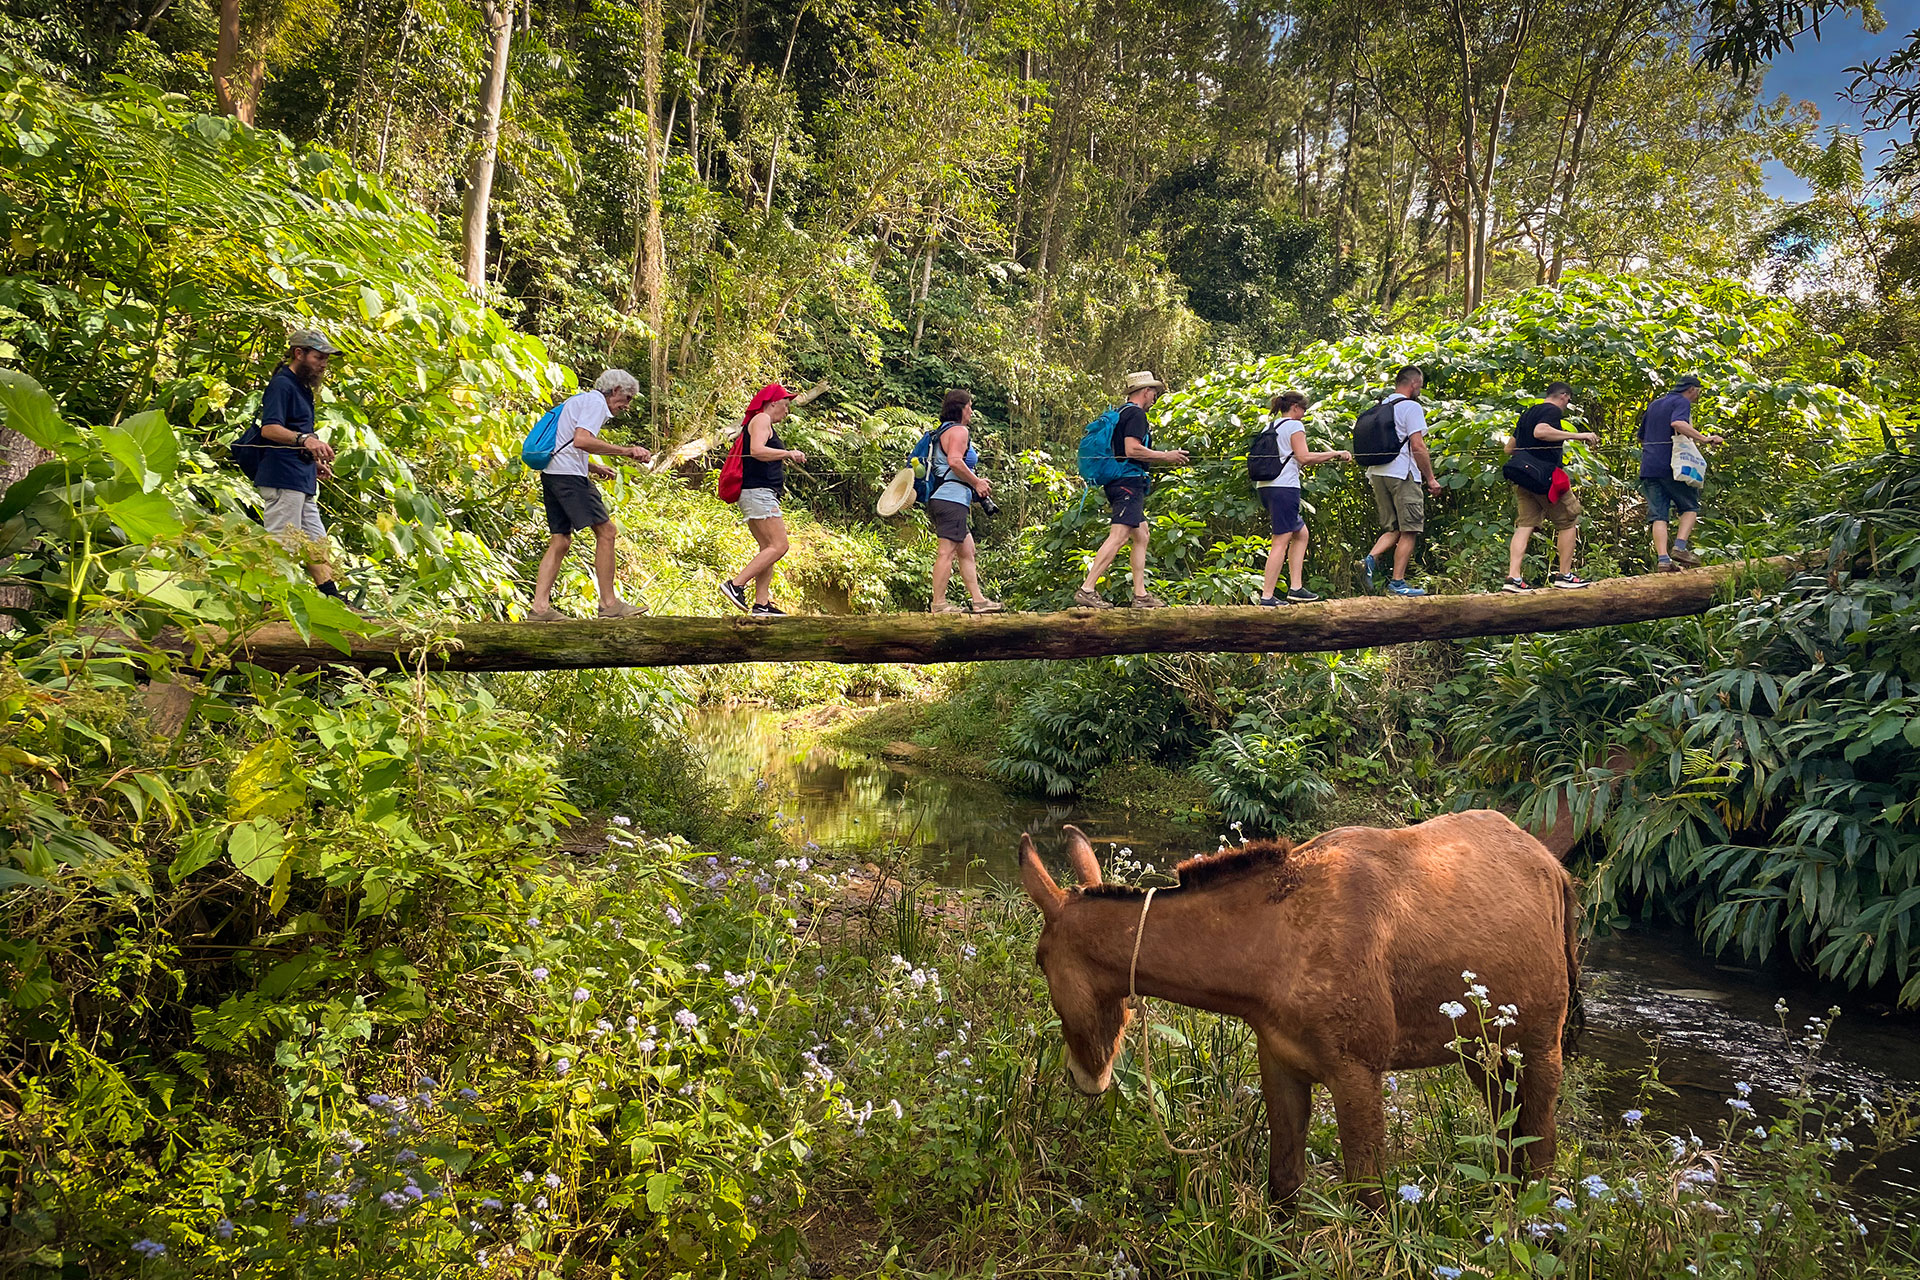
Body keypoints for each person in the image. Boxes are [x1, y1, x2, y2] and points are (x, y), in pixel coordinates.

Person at [529, 369, 652, 621]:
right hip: (569, 478)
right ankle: (609, 604)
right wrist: (627, 450)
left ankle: (539, 608)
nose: (626, 406)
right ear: (615, 390)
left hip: (553, 474)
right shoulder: (596, 403)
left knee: (560, 541)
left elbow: (565, 444)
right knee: (607, 532)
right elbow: (581, 441)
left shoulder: (579, 400)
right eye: (627, 398)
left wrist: (593, 467)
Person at [1072, 371, 1190, 609]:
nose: (1154, 398)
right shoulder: (1136, 414)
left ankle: (1140, 594)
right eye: (1154, 393)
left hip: (1120, 481)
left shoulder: (1121, 412)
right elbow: (1132, 449)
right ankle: (1087, 589)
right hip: (1128, 481)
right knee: (1119, 536)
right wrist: (1165, 456)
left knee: (1142, 534)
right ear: (1145, 391)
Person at [254, 329, 352, 604]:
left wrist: (313, 460)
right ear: (299, 353)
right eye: (319, 357)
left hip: (300, 477)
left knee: (316, 543)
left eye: (326, 359)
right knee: (282, 544)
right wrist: (305, 440)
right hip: (282, 477)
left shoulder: (301, 388)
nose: (323, 364)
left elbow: (295, 432)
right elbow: (270, 429)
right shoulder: (282, 384)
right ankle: (269, 603)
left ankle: (333, 600)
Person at [1255, 391, 1351, 606]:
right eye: (1304, 410)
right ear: (1295, 408)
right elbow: (1304, 457)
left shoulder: (1270, 427)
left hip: (1266, 487)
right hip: (1284, 488)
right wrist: (1335, 453)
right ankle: (1267, 597)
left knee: (1301, 533)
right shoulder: (1294, 426)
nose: (1304, 414)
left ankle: (1296, 588)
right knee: (1280, 541)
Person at [1501, 383, 1599, 592]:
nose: (1566, 404)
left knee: (1525, 525)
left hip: (1524, 479)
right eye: (1568, 400)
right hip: (1546, 479)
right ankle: (1564, 575)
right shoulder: (1551, 410)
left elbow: (1509, 448)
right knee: (1568, 521)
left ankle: (1513, 577)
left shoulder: (1528, 414)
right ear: (1563, 396)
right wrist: (1579, 436)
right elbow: (1541, 432)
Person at [720, 384, 807, 615]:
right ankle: (736, 584)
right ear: (772, 403)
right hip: (758, 492)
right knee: (780, 546)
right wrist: (788, 453)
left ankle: (762, 604)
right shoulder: (761, 419)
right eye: (785, 405)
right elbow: (757, 450)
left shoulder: (761, 421)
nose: (787, 411)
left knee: (767, 548)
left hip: (757, 493)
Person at [1358, 364, 1440, 598]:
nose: (1420, 390)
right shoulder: (1410, 407)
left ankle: (1368, 560)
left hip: (1377, 473)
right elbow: (1418, 445)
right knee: (1409, 529)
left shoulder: (1380, 407)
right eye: (1420, 385)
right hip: (1402, 473)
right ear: (1413, 384)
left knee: (1393, 528)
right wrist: (1431, 479)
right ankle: (1398, 583)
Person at [924, 389, 1003, 615]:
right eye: (969, 407)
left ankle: (978, 601)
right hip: (951, 499)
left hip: (945, 498)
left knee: (967, 550)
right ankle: (939, 604)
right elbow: (955, 461)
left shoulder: (942, 431)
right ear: (961, 408)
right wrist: (977, 482)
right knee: (946, 552)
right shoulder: (959, 430)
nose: (971, 411)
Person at [1638, 375, 1723, 571]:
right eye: (1698, 392)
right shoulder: (1682, 402)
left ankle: (1663, 560)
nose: (1697, 396)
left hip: (1650, 467)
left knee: (1659, 515)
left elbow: (1641, 437)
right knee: (1690, 506)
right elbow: (1678, 423)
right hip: (1673, 467)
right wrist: (1704, 439)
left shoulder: (1654, 405)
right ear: (1691, 389)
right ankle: (1680, 547)